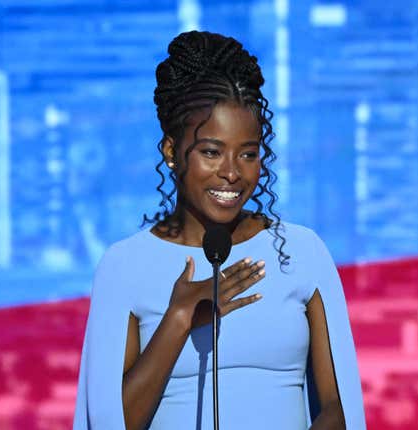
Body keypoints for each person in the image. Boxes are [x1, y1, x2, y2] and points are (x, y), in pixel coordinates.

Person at [73, 31, 366, 429]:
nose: (231, 172)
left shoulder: (302, 251)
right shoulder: (124, 265)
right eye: (211, 152)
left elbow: (339, 408)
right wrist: (178, 318)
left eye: (248, 154)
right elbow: (108, 422)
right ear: (172, 152)